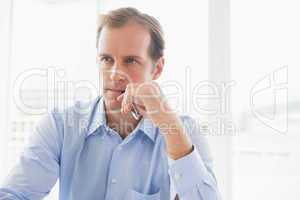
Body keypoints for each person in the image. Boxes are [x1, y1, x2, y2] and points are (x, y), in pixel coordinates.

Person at [0, 7, 221, 200]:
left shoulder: (184, 133)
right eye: (107, 59)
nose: (115, 74)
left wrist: (168, 124)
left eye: (131, 61)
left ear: (157, 68)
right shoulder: (61, 126)